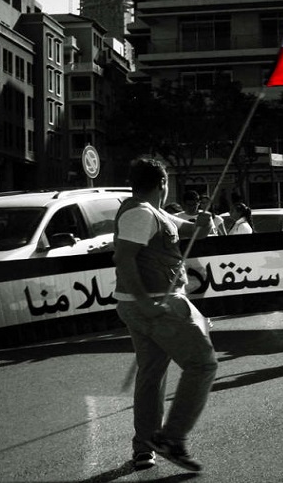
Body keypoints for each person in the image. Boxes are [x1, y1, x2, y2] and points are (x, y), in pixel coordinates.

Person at [113, 156, 217, 472]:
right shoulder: (142, 214)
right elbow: (124, 259)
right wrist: (145, 302)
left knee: (152, 375)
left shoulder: (152, 212)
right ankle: (171, 439)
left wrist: (204, 223)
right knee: (202, 364)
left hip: (144, 305)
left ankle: (145, 447)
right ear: (163, 183)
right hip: (159, 304)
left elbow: (195, 232)